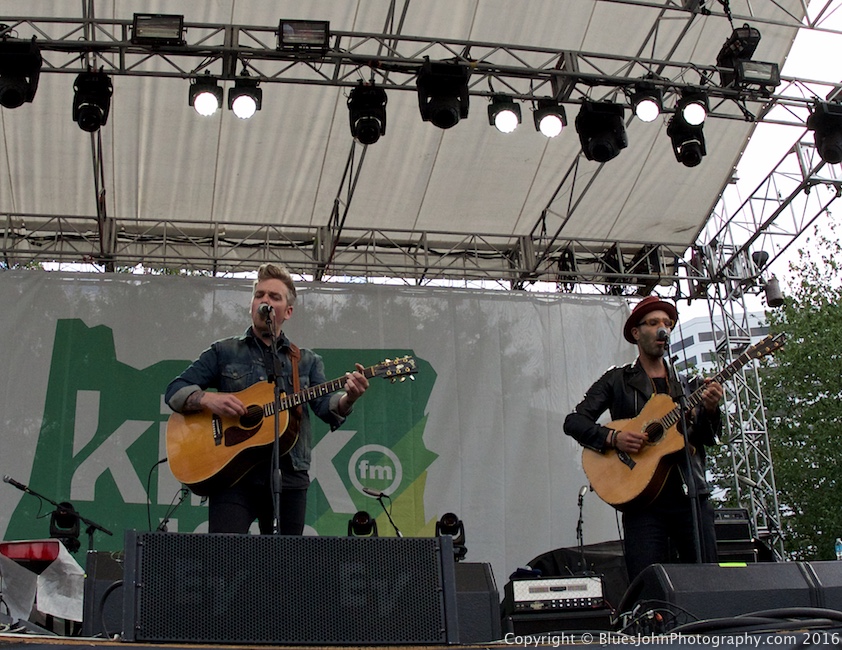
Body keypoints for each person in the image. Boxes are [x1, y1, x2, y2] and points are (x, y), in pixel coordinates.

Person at [165, 263, 369, 535]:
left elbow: (326, 408)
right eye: (260, 295)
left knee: (285, 567)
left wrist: (349, 398)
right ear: (251, 305)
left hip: (290, 477)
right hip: (234, 476)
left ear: (288, 311)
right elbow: (175, 390)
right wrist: (206, 400)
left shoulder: (306, 361)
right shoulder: (224, 351)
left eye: (274, 297)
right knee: (225, 560)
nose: (265, 301)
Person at [563, 295, 724, 582]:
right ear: (636, 333)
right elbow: (574, 422)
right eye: (653, 323)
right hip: (642, 501)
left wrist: (711, 410)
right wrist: (613, 438)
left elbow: (707, 438)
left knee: (706, 581)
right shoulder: (617, 380)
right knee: (649, 585)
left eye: (666, 323)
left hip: (691, 496)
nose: (662, 328)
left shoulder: (686, 386)